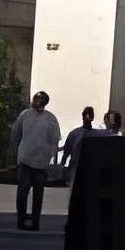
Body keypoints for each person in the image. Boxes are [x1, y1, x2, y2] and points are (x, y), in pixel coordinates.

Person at [10, 91, 61, 230]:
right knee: (22, 193)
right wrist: (15, 156)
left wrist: (50, 157)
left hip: (41, 163)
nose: (39, 102)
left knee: (38, 195)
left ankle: (35, 221)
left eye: (42, 100)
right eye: (37, 99)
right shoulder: (25, 115)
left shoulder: (50, 118)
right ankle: (21, 220)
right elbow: (16, 134)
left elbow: (54, 139)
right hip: (25, 160)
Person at [61, 105, 97, 175]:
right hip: (76, 168)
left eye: (89, 114)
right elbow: (66, 152)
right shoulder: (74, 133)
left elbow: (66, 153)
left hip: (87, 168)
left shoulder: (74, 133)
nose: (87, 117)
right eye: (86, 114)